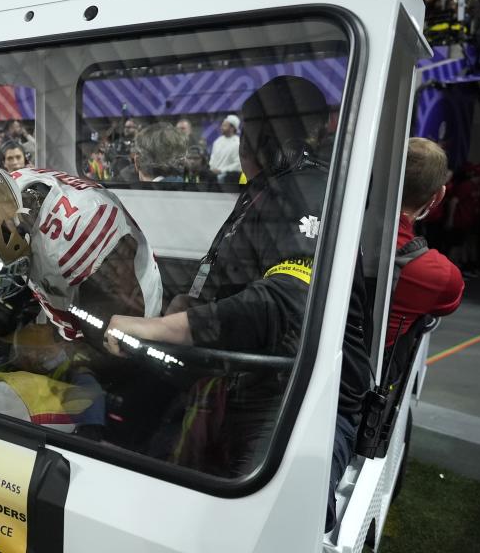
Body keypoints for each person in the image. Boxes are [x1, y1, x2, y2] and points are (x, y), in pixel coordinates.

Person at [103, 76, 371, 532]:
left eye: (248, 132)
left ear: (263, 136)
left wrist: (161, 329)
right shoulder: (272, 187)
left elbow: (288, 301)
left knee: (265, 526)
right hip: (252, 381)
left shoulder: (304, 189)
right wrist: (190, 301)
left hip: (296, 397)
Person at [0, 164, 162, 432]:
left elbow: (116, 350)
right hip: (67, 332)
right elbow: (26, 283)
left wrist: (9, 353)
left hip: (120, 368)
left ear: (3, 233)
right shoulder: (8, 201)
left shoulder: (80, 227)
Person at [385, 137, 464, 352]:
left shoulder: (326, 236)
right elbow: (447, 304)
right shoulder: (440, 274)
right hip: (366, 377)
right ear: (437, 197)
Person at [208, 114, 242, 182]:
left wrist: (221, 170)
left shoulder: (238, 143)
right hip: (213, 176)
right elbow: (212, 159)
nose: (221, 127)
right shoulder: (217, 141)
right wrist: (212, 170)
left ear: (232, 128)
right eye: (222, 125)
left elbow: (239, 165)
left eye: (225, 126)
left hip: (228, 178)